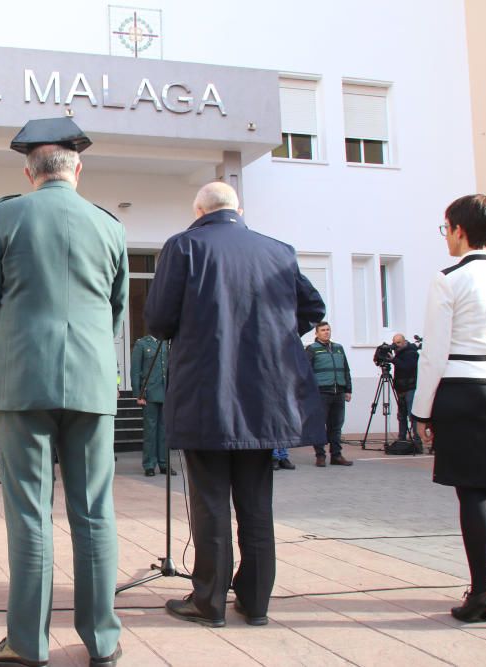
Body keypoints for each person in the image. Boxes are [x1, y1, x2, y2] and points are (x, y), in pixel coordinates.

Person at [0, 117, 127, 667]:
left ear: (28, 171)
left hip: (21, 382)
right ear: (78, 169)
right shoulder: (110, 226)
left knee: (30, 514)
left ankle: (27, 643)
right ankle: (103, 641)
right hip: (90, 381)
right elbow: (116, 311)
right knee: (94, 513)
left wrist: (12, 350)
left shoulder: (6, 214)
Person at [145, 181, 325, 628]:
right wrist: (271, 330)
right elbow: (312, 307)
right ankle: (256, 601)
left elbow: (159, 320)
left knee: (210, 503)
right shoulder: (278, 251)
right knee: (256, 503)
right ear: (238, 209)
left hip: (207, 394)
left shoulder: (184, 247)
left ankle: (209, 602)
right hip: (263, 395)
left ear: (198, 209)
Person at [414, 194, 486, 628]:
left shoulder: (449, 280)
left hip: (464, 387)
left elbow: (435, 354)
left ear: (459, 230)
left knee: (472, 491)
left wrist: (422, 410)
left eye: (446, 229)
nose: (446, 238)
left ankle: (480, 591)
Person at [306, 322, 354, 467]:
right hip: (321, 393)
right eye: (323, 330)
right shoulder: (312, 349)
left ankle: (336, 455)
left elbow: (346, 369)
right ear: (317, 333)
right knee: (319, 425)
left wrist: (348, 389)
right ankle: (320, 456)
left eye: (328, 330)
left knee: (336, 426)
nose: (326, 332)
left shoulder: (338, 348)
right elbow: (306, 371)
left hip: (338, 391)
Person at [130, 334, 172, 477]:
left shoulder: (165, 343)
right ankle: (149, 465)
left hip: (165, 393)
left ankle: (164, 463)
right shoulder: (142, 344)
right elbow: (135, 371)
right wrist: (138, 394)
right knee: (150, 431)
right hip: (149, 393)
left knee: (164, 431)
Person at [391, 333, 420, 448]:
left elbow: (408, 367)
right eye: (394, 343)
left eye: (398, 343)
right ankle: (401, 439)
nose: (396, 345)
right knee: (401, 415)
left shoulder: (411, 352)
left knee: (411, 414)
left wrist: (394, 360)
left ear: (404, 342)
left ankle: (417, 440)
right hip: (400, 387)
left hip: (410, 387)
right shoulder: (398, 353)